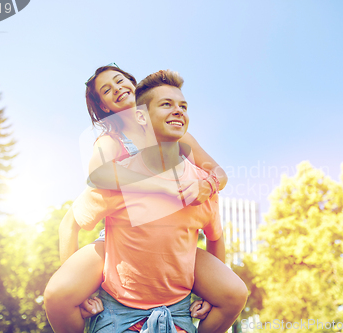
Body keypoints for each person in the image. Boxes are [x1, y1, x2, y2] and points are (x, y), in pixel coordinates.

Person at [44, 68, 247, 333]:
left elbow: (218, 173)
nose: (117, 88)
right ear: (104, 107)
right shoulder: (110, 141)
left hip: (176, 237)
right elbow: (99, 174)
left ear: (133, 84)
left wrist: (206, 185)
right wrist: (167, 188)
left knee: (232, 291)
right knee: (60, 294)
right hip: (121, 236)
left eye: (120, 80)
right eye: (107, 90)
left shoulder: (176, 132)